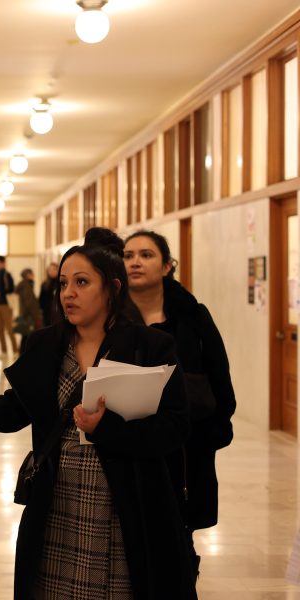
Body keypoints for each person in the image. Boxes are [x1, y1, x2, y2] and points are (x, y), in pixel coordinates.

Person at [0, 228, 194, 599]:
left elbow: (175, 427)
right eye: (64, 283)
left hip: (125, 509)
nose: (68, 293)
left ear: (113, 288)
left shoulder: (149, 347)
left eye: (82, 282)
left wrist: (109, 428)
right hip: (59, 506)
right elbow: (9, 412)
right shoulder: (47, 345)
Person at [123, 230, 236, 585]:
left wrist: (215, 427)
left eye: (146, 254)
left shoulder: (193, 316)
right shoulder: (112, 319)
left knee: (178, 530)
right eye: (127, 255)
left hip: (186, 444)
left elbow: (220, 374)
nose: (135, 262)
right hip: (127, 440)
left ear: (167, 265)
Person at [0, 255, 18, 356]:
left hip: (6, 305)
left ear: (3, 263)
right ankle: (4, 351)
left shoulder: (7, 275)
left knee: (9, 328)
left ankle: (15, 350)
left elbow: (11, 289)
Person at [15, 268, 43, 353]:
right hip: (28, 315)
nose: (34, 276)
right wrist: (35, 315)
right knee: (27, 335)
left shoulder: (26, 284)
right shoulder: (26, 285)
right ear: (28, 275)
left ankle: (23, 353)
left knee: (26, 335)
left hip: (26, 314)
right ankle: (24, 353)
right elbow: (29, 302)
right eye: (32, 274)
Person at [39, 261, 59, 326]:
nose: (51, 271)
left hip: (59, 311)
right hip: (47, 312)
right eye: (50, 270)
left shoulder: (61, 283)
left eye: (54, 269)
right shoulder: (44, 284)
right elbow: (41, 299)